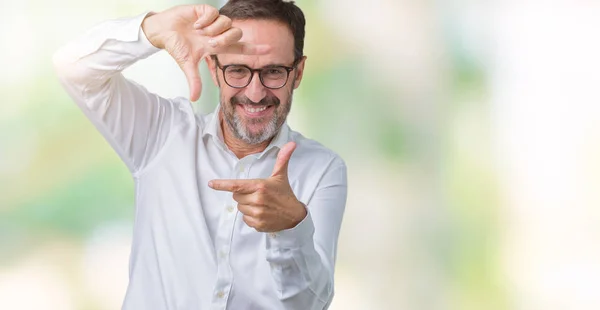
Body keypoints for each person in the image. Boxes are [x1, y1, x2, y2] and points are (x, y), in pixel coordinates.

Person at [53, 0, 347, 309]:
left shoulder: (322, 169)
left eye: (274, 72)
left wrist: (290, 229)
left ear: (298, 73)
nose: (255, 93)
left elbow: (310, 305)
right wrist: (151, 29)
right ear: (213, 68)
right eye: (237, 70)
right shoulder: (160, 135)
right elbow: (73, 68)